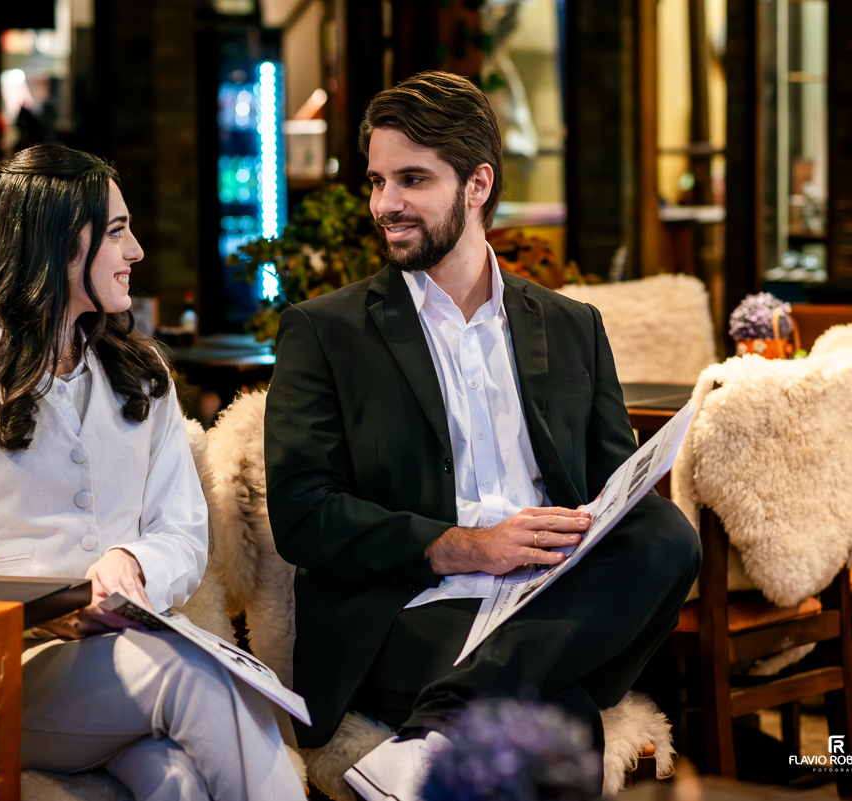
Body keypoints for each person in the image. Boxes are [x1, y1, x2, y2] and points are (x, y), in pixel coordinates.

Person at [264, 72, 700, 800]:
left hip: (550, 601)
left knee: (665, 533)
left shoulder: (571, 326)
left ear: (477, 184)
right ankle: (451, 718)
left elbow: (615, 494)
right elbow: (302, 516)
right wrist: (466, 544)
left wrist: (580, 534)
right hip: (407, 609)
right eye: (377, 181)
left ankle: (437, 724)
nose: (384, 205)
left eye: (411, 179)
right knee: (560, 722)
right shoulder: (325, 331)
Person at [0, 144, 305, 801]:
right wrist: (38, 605)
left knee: (179, 784)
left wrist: (131, 562)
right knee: (199, 674)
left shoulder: (143, 373)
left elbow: (184, 534)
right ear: (53, 242)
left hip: (130, 659)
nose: (136, 250)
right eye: (116, 232)